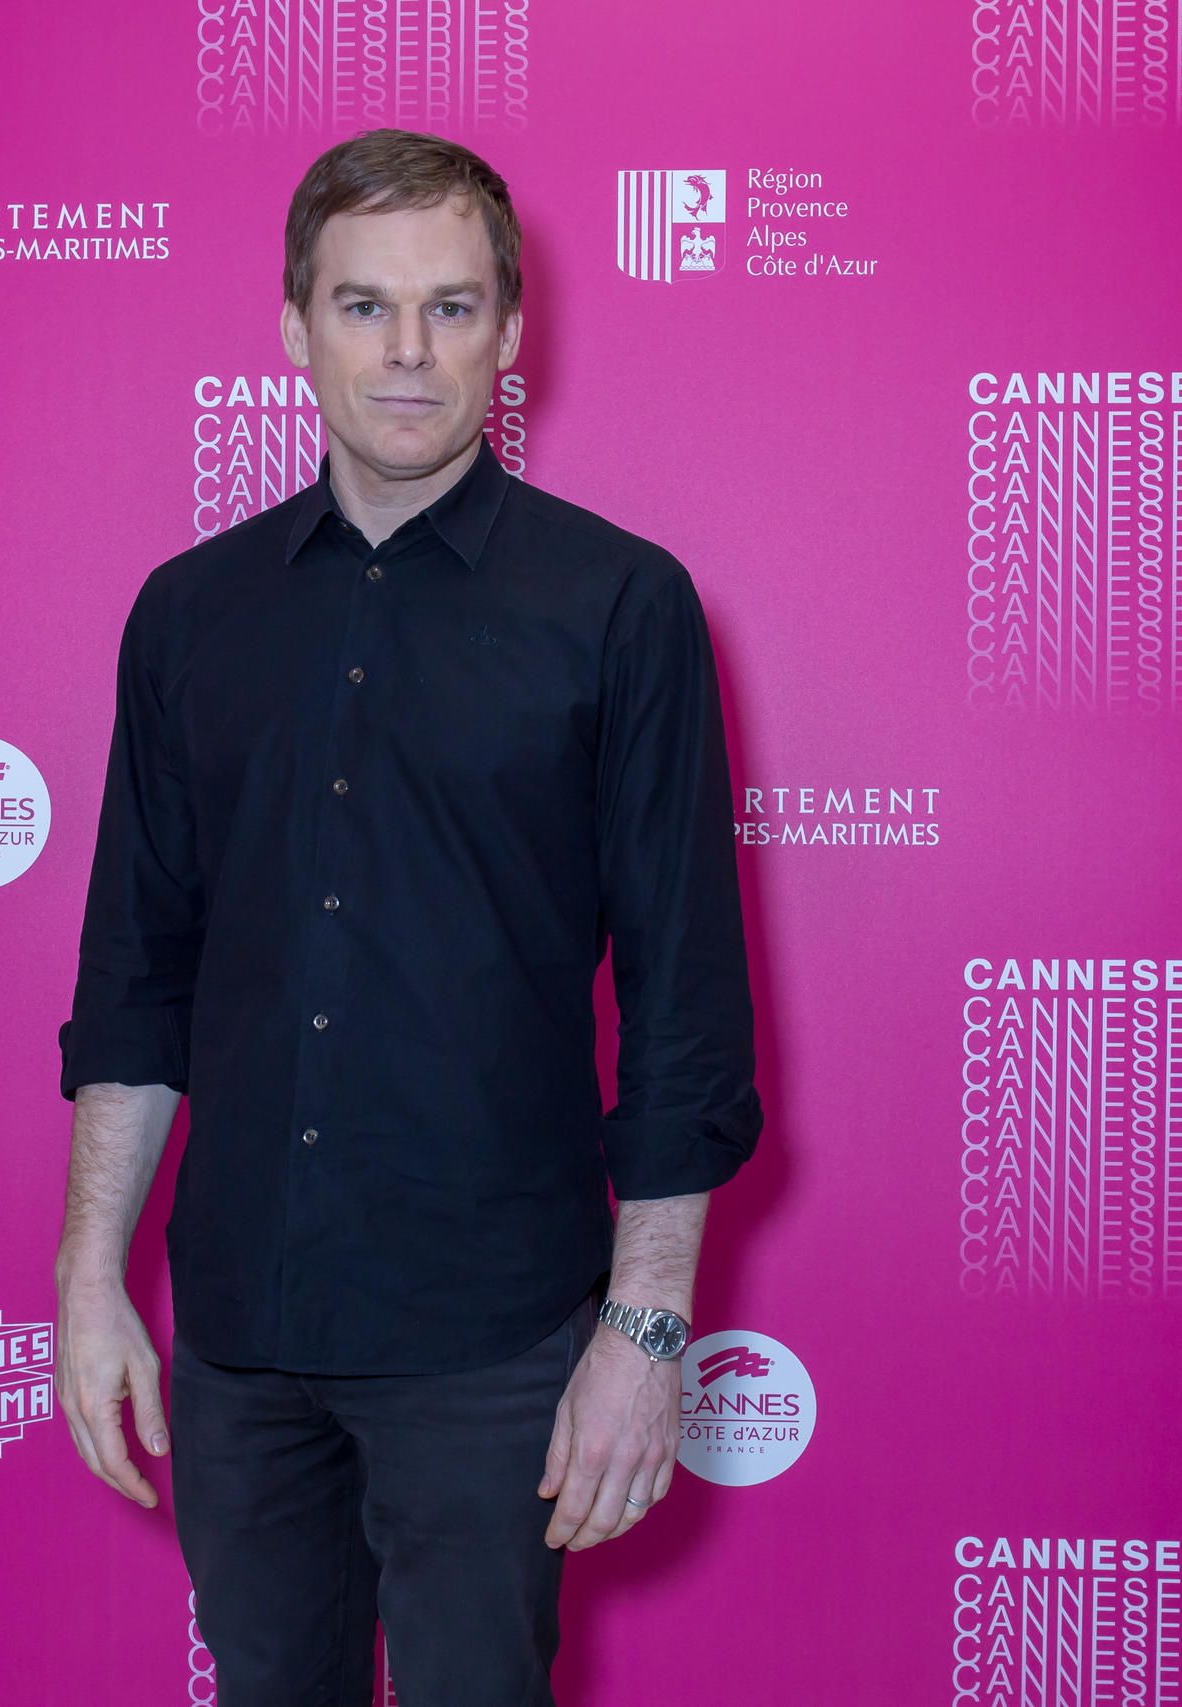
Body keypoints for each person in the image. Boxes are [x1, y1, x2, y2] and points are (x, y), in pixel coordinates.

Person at [51, 127, 763, 1707]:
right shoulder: (187, 615)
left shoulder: (621, 606)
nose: (407, 351)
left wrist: (645, 1335)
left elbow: (686, 1008)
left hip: (492, 1341)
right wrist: (91, 1276)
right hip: (240, 1336)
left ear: (510, 332)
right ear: (294, 327)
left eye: (451, 307)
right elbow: (136, 980)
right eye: (364, 305)